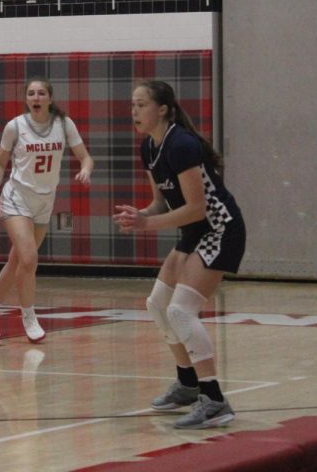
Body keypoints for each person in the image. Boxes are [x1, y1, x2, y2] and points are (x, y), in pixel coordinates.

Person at [113, 79, 246, 429]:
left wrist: (147, 225)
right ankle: (187, 385)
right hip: (194, 231)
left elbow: (198, 208)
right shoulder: (149, 147)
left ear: (163, 109)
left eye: (141, 104)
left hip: (220, 228)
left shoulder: (182, 145)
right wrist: (140, 215)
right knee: (157, 305)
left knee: (181, 311)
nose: (134, 111)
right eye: (132, 105)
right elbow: (162, 201)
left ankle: (215, 400)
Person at [0, 78, 94, 342]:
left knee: (18, 261)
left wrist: (85, 169)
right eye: (31, 93)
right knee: (29, 259)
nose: (36, 97)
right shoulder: (15, 126)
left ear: (50, 98)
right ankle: (28, 316)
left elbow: (85, 156)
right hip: (16, 197)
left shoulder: (64, 124)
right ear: (26, 99)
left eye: (41, 93)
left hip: (45, 201)